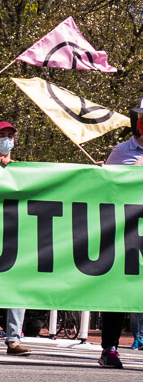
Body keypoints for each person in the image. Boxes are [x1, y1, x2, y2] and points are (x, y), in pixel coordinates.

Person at [96, 99, 143, 368]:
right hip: (128, 233)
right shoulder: (122, 151)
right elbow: (108, 190)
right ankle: (109, 348)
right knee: (119, 289)